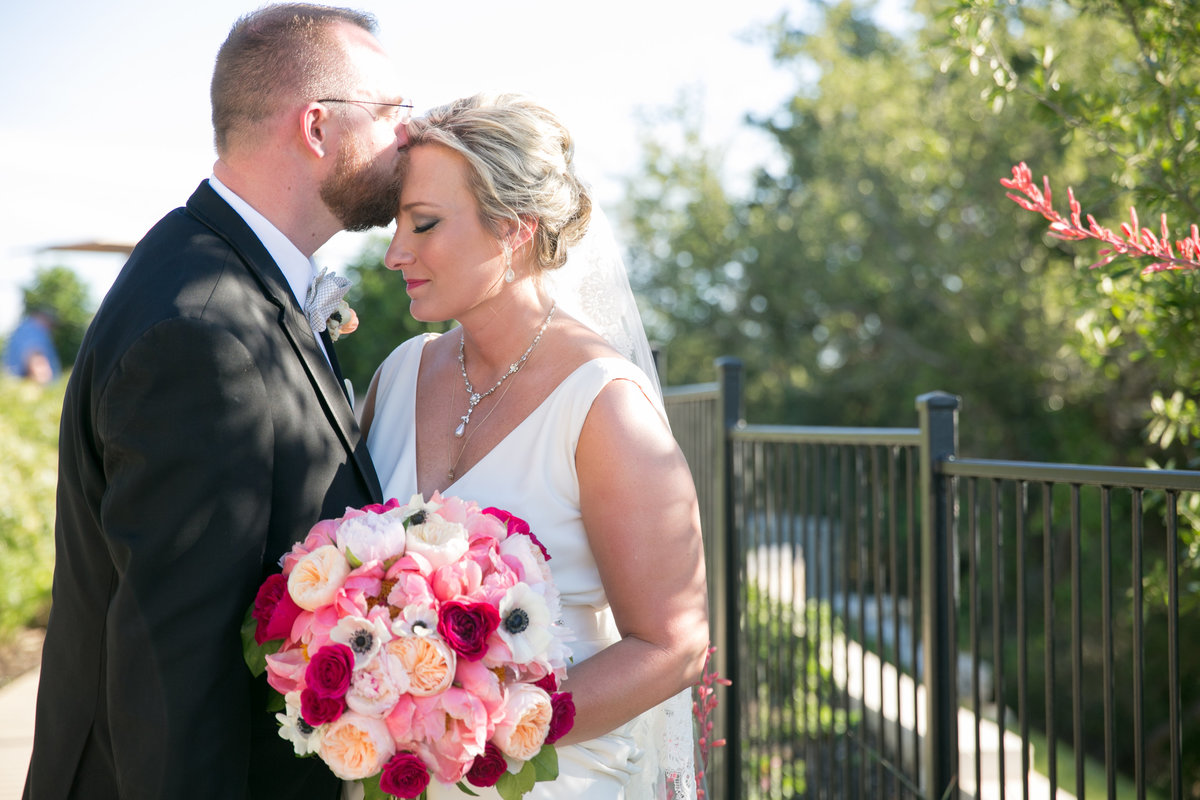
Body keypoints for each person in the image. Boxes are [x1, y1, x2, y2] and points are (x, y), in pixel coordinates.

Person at [23, 5, 406, 798]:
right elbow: (172, 670)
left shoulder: (229, 280)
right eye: (392, 112)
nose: (408, 136)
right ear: (316, 127)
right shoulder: (204, 334)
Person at [360, 93, 710, 799]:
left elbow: (673, 646)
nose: (397, 252)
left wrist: (486, 732)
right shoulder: (398, 375)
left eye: (423, 223)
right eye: (397, 224)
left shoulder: (604, 404)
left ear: (515, 229)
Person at [3, 306, 61, 384]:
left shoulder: (22, 330)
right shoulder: (35, 330)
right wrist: (44, 381)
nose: (50, 330)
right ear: (43, 318)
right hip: (33, 390)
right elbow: (36, 357)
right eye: (50, 325)